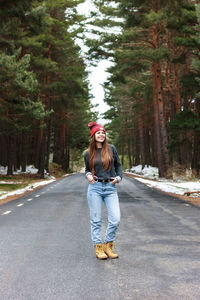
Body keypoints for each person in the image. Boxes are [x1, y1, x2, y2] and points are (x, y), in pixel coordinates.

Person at [84, 122, 122, 260]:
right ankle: (98, 247)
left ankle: (108, 244)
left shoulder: (111, 149)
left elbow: (118, 166)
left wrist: (118, 178)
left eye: (103, 133)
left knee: (115, 219)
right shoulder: (88, 153)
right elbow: (87, 169)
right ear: (93, 136)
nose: (101, 135)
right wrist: (88, 175)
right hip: (95, 188)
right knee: (96, 220)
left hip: (110, 188)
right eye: (98, 133)